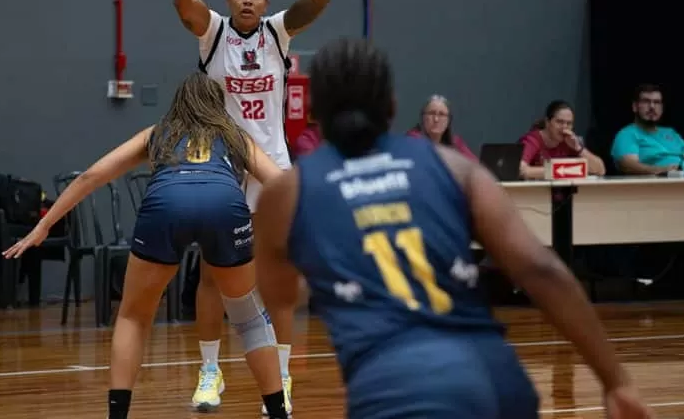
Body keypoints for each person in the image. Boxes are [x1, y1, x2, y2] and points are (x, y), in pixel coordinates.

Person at [253, 38, 654, 419]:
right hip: (496, 378)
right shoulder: (452, 166)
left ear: (313, 109)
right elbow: (540, 269)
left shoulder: (287, 193)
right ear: (392, 105)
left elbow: (284, 296)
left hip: (397, 390)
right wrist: (616, 381)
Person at [4, 73, 290, 419]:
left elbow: (92, 176)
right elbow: (281, 183)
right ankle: (278, 412)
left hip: (166, 204)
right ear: (219, 105)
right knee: (249, 317)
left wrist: (44, 225)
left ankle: (117, 414)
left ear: (178, 104)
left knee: (133, 316)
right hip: (224, 205)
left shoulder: (158, 133)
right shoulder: (235, 136)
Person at [173, 0, 330, 413]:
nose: (248, 0)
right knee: (213, 276)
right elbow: (182, 4)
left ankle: (281, 378)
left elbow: (318, 0)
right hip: (221, 165)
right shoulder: (213, 32)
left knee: (276, 276)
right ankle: (209, 372)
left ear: (265, 1)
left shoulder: (277, 33)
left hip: (271, 167)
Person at [518, 100, 605, 179]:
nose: (564, 127)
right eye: (559, 122)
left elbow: (600, 170)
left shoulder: (570, 141)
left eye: (569, 123)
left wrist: (579, 148)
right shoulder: (532, 140)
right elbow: (520, 170)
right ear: (547, 122)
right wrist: (563, 171)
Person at [405, 94, 476, 160]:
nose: (436, 119)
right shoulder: (412, 140)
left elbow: (474, 164)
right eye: (431, 113)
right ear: (423, 118)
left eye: (441, 114)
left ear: (448, 120)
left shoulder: (455, 142)